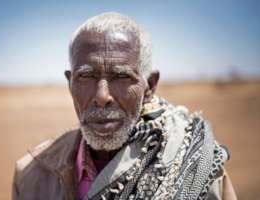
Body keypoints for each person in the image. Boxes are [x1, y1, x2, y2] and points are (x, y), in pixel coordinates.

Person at [12, 12, 237, 200]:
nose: (102, 96)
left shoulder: (198, 169)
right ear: (70, 83)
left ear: (149, 85)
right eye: (86, 76)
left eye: (120, 76)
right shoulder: (33, 175)